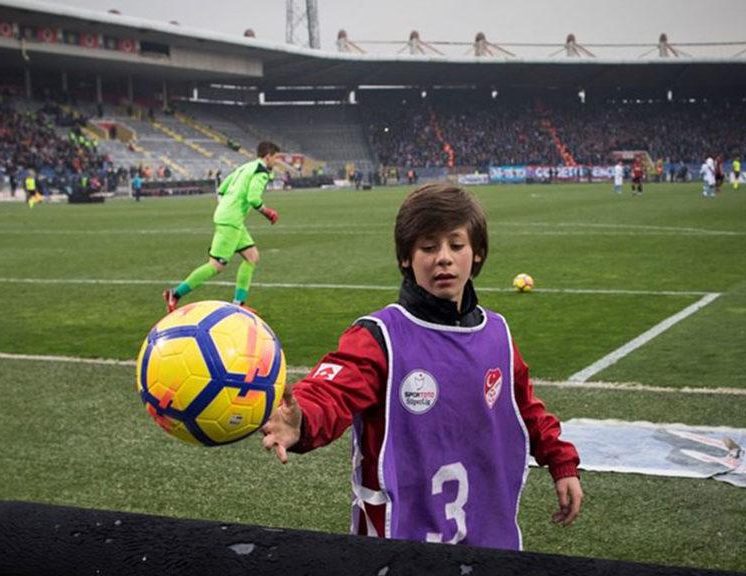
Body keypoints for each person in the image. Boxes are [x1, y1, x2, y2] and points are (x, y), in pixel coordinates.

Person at [259, 184, 582, 551]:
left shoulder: (497, 334)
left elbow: (525, 408)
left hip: (492, 547)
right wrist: (303, 420)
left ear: (476, 254)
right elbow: (332, 390)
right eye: (428, 247)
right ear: (405, 258)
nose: (443, 258)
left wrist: (561, 462)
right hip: (398, 551)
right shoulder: (381, 336)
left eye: (456, 245)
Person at [163, 141, 281, 313]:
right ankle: (175, 293)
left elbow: (221, 189)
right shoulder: (261, 172)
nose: (276, 161)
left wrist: (225, 207)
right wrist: (268, 212)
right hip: (231, 221)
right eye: (275, 157)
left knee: (252, 256)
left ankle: (238, 303)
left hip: (231, 218)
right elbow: (253, 198)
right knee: (216, 266)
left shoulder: (245, 167)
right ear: (268, 156)